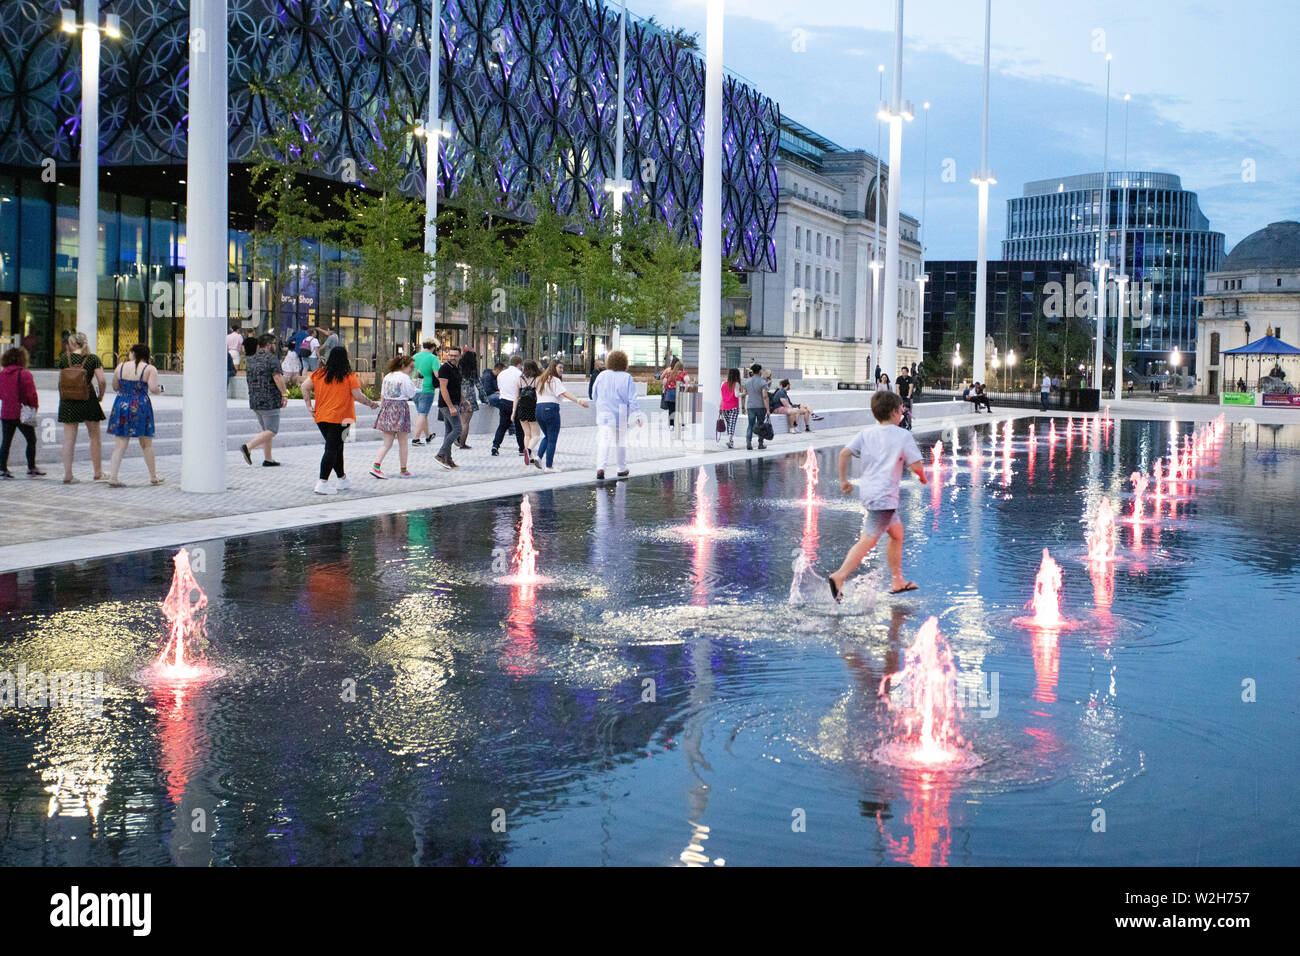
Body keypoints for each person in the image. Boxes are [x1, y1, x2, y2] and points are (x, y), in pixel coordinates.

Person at [828, 390, 926, 602]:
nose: (903, 414)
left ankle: (897, 580)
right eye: (901, 410)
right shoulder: (903, 435)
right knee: (868, 540)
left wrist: (844, 480)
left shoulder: (866, 433)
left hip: (871, 493)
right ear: (893, 412)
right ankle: (839, 576)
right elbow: (916, 464)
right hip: (884, 497)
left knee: (897, 534)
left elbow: (844, 453)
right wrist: (923, 476)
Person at [302, 346, 377, 495]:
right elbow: (358, 396)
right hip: (342, 418)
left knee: (336, 447)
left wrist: (309, 405)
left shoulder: (320, 373)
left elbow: (304, 387)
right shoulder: (349, 376)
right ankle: (322, 482)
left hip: (321, 417)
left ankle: (342, 478)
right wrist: (371, 403)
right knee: (332, 449)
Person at [105, 343, 163, 487]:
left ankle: (113, 476)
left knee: (120, 444)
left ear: (133, 353)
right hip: (141, 406)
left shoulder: (121, 367)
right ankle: (153, 476)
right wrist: (161, 389)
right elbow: (154, 389)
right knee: (146, 444)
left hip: (122, 403)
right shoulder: (150, 369)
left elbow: (115, 386)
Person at [57, 331, 107, 484]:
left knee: (68, 439)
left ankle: (67, 474)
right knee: (95, 437)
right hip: (88, 398)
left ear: (72, 344)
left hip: (68, 400)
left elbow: (62, 378)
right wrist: (101, 395)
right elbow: (102, 380)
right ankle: (98, 472)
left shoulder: (64, 358)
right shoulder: (93, 359)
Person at [533, 358, 589, 472]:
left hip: (538, 409)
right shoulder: (554, 380)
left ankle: (538, 457)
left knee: (547, 436)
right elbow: (564, 393)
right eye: (560, 367)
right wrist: (579, 401)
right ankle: (549, 466)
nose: (562, 370)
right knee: (552, 438)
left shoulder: (540, 379)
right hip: (551, 409)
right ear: (553, 368)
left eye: (562, 368)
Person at [241, 333, 288, 467]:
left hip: (255, 399)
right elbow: (278, 378)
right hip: (270, 399)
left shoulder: (251, 359)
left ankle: (268, 459)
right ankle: (248, 447)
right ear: (269, 344)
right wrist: (284, 394)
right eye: (274, 343)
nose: (275, 346)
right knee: (272, 430)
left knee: (266, 430)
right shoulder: (272, 359)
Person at [592, 349, 639, 480]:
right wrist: (639, 415)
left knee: (604, 441)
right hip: (621, 414)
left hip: (604, 413)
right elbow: (633, 399)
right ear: (624, 363)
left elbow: (594, 394)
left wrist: (600, 404)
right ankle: (621, 468)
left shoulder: (602, 375)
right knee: (621, 443)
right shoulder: (627, 377)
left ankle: (601, 468)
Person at [371, 353, 419, 479]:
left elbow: (382, 395)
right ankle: (403, 470)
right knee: (403, 442)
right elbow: (411, 394)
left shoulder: (388, 376)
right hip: (400, 409)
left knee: (386, 443)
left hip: (387, 408)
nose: (412, 370)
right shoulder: (405, 378)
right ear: (404, 365)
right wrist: (415, 382)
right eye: (411, 367)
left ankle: (376, 466)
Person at [0, 346, 43, 478]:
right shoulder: (25, 374)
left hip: (6, 412)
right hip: (22, 412)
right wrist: (34, 407)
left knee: (6, 442)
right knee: (31, 439)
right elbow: (31, 394)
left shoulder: (2, 374)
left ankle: (2, 468)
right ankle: (31, 467)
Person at [434, 345, 464, 469]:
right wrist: (451, 406)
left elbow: (456, 388)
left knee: (449, 431)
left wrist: (463, 400)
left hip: (454, 402)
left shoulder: (457, 368)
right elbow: (443, 389)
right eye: (450, 355)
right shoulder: (445, 369)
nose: (452, 357)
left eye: (455, 356)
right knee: (458, 429)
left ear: (460, 356)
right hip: (447, 404)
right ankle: (440, 454)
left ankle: (448, 459)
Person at [493, 354, 526, 457]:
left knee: (502, 425)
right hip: (517, 403)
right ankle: (521, 448)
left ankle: (495, 446)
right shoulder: (520, 374)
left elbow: (500, 388)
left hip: (503, 401)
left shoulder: (501, 374)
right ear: (519, 364)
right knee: (519, 427)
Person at [513, 359, 543, 467]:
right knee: (536, 435)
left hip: (521, 408)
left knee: (527, 434)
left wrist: (513, 413)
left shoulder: (519, 380)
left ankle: (528, 455)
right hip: (533, 408)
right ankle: (529, 450)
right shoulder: (538, 380)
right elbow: (540, 396)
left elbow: (516, 397)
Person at [410, 339, 440, 446]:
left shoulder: (415, 357)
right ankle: (416, 439)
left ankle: (428, 436)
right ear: (434, 347)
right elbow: (437, 374)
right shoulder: (433, 358)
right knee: (422, 414)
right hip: (427, 389)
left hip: (415, 388)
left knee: (423, 413)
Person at [457, 347, 480, 449]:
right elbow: (479, 385)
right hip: (470, 397)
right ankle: (462, 444)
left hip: (458, 395)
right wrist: (485, 399)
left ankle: (456, 440)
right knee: (465, 423)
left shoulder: (458, 368)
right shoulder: (473, 370)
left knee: (458, 421)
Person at [744, 363, 770, 451]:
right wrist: (768, 409)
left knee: (750, 425)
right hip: (760, 407)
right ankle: (760, 444)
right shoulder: (763, 382)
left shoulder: (747, 381)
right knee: (760, 425)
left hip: (750, 406)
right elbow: (765, 396)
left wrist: (743, 407)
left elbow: (744, 394)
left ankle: (748, 443)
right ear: (759, 371)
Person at [660, 359, 689, 428]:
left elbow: (664, 382)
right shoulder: (683, 373)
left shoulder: (669, 373)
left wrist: (666, 388)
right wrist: (685, 390)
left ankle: (671, 425)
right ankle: (681, 424)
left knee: (671, 410)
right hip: (678, 394)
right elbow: (687, 381)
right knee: (680, 410)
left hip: (669, 394)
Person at [720, 367, 742, 448]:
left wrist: (720, 407)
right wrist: (743, 394)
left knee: (729, 424)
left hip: (724, 407)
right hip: (734, 407)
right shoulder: (736, 384)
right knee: (732, 424)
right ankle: (730, 440)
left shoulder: (723, 383)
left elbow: (722, 396)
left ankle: (731, 441)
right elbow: (736, 395)